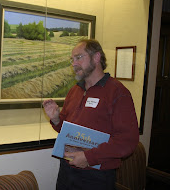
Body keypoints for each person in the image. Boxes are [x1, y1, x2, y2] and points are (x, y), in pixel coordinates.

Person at [43, 39, 139, 190]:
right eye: (72, 59)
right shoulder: (75, 90)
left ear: (96, 57)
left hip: (96, 176)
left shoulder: (118, 92)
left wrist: (89, 158)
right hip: (67, 171)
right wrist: (56, 119)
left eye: (79, 57)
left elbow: (128, 141)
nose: (74, 64)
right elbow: (67, 131)